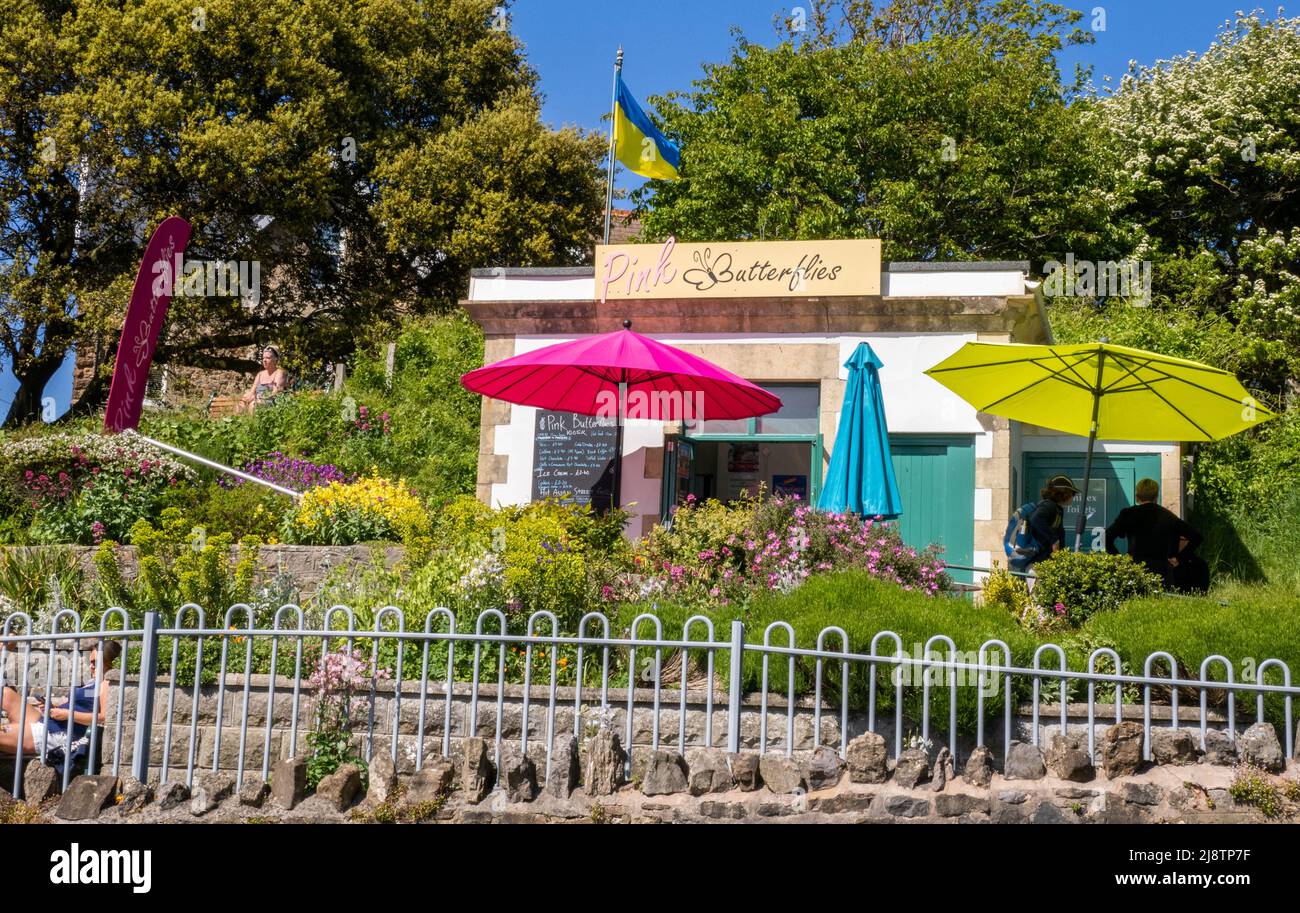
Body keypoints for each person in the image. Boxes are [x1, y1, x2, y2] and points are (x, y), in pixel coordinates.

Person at [0, 640, 121, 762]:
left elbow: (103, 717)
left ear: (108, 662)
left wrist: (67, 714)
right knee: (5, 693)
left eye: (95, 662)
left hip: (59, 732)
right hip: (51, 722)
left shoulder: (106, 683)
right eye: (90, 662)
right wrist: (54, 707)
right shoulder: (94, 683)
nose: (91, 666)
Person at [1106, 478, 1205, 590]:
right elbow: (1196, 537)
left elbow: (1106, 537)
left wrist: (1120, 560)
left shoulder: (1128, 514)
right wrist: (1179, 558)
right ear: (1156, 497)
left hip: (1135, 570)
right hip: (1162, 573)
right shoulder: (1168, 516)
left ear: (1137, 496)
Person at [1022, 475, 1082, 570]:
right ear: (1063, 493)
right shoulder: (1048, 506)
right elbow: (1035, 519)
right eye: (1072, 493)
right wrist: (1054, 540)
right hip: (1037, 564)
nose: (1073, 497)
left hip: (1045, 563)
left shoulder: (1058, 509)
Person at [240, 345, 287, 414]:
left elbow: (275, 393)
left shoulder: (279, 373)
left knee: (253, 405)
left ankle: (253, 424)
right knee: (240, 405)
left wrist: (260, 398)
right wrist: (247, 398)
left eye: (268, 358)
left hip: (271, 402)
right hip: (258, 400)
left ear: (275, 359)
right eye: (263, 358)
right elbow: (252, 392)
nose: (264, 360)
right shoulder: (260, 374)